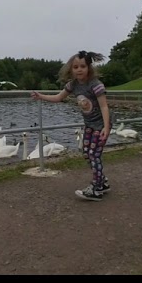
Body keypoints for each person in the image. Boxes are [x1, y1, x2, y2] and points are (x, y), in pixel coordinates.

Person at [30, 50, 112, 201]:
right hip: (89, 125)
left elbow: (104, 107)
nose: (79, 69)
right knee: (87, 153)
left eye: (82, 66)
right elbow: (58, 97)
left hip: (100, 126)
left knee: (94, 155)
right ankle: (102, 181)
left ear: (89, 68)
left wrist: (106, 128)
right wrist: (41, 96)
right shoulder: (73, 85)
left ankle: (97, 188)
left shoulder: (95, 85)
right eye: (75, 67)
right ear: (71, 69)